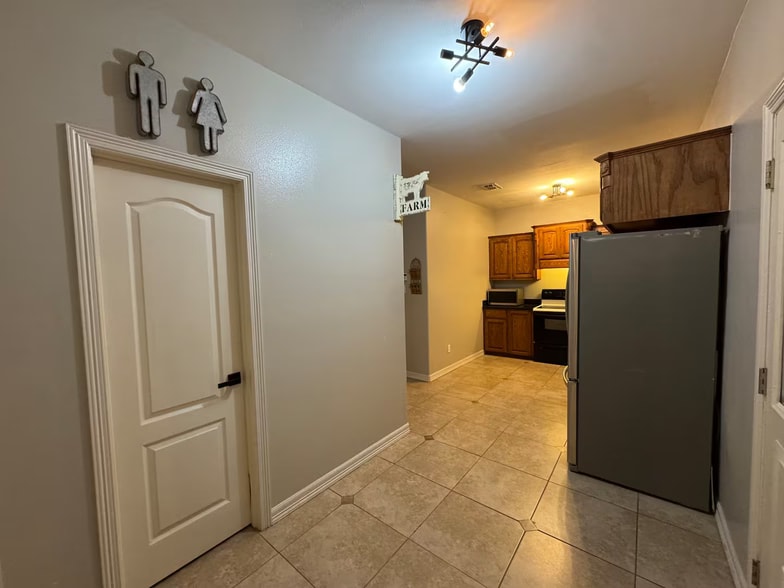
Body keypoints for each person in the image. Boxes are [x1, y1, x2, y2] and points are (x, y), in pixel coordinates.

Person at [128, 51, 167, 138]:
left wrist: (163, 100)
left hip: (151, 94)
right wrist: (134, 91)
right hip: (145, 92)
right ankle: (148, 129)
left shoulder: (156, 74)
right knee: (145, 109)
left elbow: (162, 87)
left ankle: (154, 130)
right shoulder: (136, 68)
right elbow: (132, 81)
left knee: (152, 110)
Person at [190, 78, 227, 154]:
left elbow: (193, 108)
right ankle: (213, 147)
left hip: (205, 115)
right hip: (213, 117)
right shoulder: (213, 96)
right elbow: (221, 112)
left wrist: (194, 110)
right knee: (211, 130)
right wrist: (223, 119)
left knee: (206, 129)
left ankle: (208, 147)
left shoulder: (200, 93)